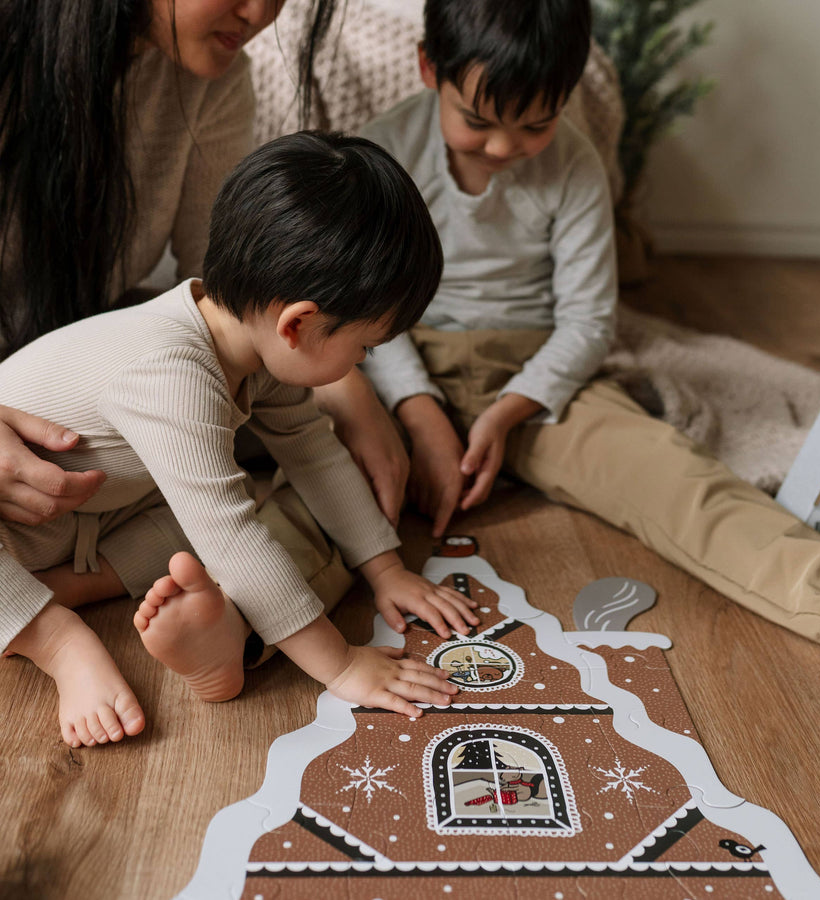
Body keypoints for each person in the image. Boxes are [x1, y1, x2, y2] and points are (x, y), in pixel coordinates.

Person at [358, 0, 820, 684]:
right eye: (477, 122)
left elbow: (588, 322)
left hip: (540, 375)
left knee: (677, 480)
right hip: (397, 361)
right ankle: (239, 616)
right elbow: (364, 308)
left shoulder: (576, 167)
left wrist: (511, 409)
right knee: (324, 477)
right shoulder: (379, 152)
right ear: (428, 69)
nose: (502, 148)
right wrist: (417, 409)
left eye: (534, 125)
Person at [0, 131, 481, 749]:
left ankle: (71, 582)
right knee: (230, 531)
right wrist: (342, 665)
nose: (360, 363)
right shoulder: (170, 372)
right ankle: (56, 636)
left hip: (80, 517)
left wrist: (385, 570)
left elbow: (315, 451)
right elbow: (232, 538)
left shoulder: (253, 347)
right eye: (364, 347)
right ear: (299, 324)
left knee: (223, 509)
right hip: (16, 526)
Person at [0, 0, 410, 611]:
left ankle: (86, 585)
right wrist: (344, 666)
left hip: (94, 461)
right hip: (54, 417)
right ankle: (48, 621)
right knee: (229, 518)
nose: (259, 13)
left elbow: (236, 293)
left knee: (252, 487)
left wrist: (356, 402)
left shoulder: (211, 74)